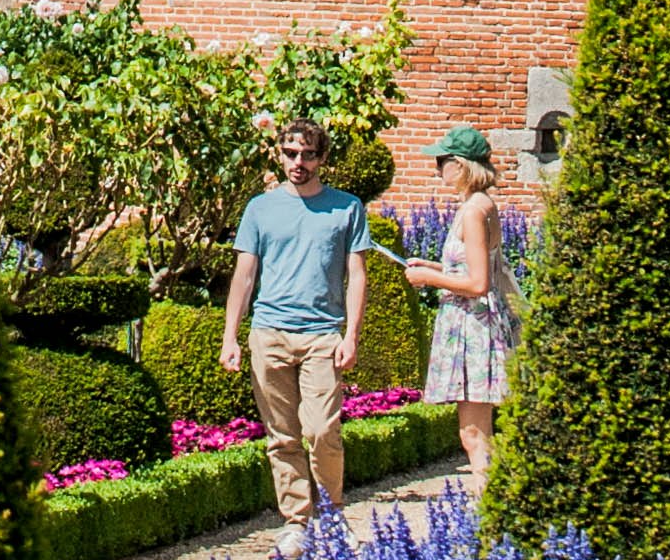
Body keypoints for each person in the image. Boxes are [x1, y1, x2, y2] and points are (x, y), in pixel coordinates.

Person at [221, 118, 372, 530]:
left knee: (323, 430)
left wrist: (352, 335)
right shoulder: (260, 207)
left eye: (307, 154)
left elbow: (356, 275)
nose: (298, 162)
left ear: (322, 157)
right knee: (282, 436)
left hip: (323, 335)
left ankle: (330, 512)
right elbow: (244, 275)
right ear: (279, 154)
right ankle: (296, 522)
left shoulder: (347, 208)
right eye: (290, 153)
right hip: (269, 332)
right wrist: (230, 337)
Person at [401, 126, 518, 489]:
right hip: (478, 325)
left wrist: (429, 280)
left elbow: (478, 283)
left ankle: (491, 513)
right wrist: (435, 267)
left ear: (460, 165)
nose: (438, 171)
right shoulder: (483, 205)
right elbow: (478, 268)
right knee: (478, 432)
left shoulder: (472, 210)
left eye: (442, 162)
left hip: (474, 329)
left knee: (473, 435)